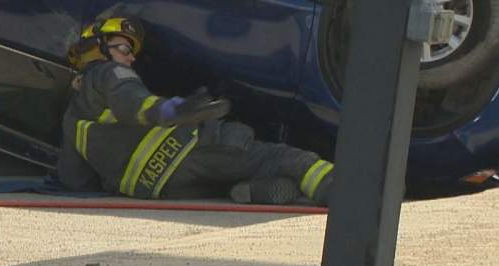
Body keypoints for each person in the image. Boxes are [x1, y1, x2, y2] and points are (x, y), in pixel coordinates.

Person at [59, 17, 335, 205]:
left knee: (236, 176)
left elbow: (75, 180)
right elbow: (137, 105)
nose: (131, 57)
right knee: (288, 158)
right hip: (185, 148)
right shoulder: (110, 71)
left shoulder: (73, 120)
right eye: (123, 48)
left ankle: (245, 190)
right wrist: (179, 109)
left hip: (159, 189)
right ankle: (345, 196)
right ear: (97, 50)